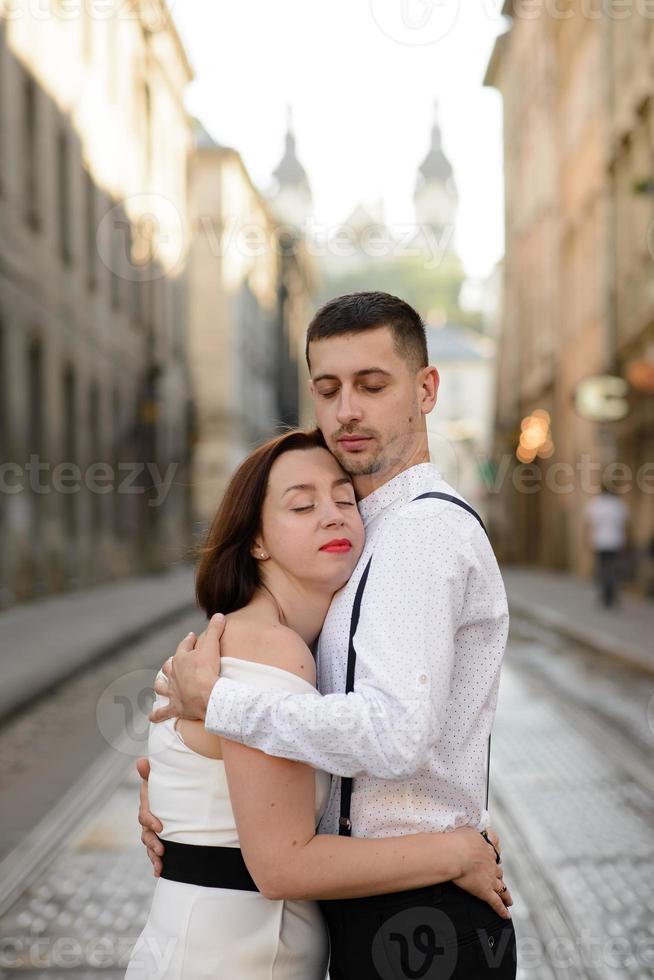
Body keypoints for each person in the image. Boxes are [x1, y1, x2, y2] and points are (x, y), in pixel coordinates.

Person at [140, 291, 518, 978]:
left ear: (425, 389)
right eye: (328, 388)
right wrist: (183, 782)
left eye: (372, 386)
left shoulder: (420, 534)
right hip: (361, 900)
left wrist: (219, 708)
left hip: (419, 913)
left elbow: (395, 734)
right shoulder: (362, 539)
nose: (347, 409)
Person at [584, 481, 630, 608]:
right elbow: (625, 525)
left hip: (600, 542)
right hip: (616, 542)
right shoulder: (619, 504)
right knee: (613, 570)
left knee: (602, 568)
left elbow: (590, 525)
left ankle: (604, 595)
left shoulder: (596, 504)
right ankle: (610, 595)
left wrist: (588, 541)